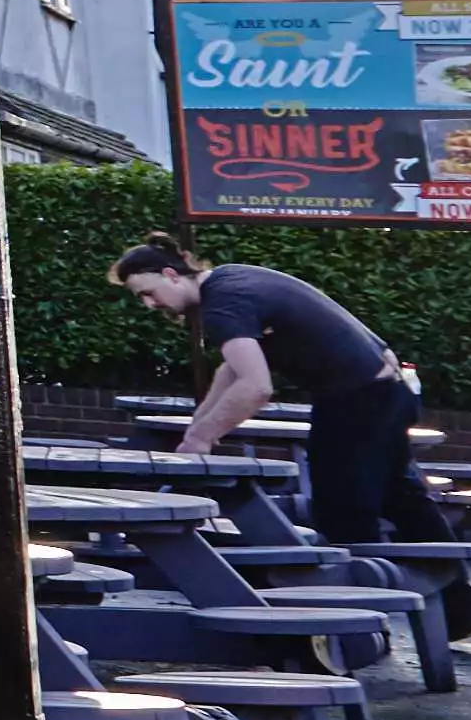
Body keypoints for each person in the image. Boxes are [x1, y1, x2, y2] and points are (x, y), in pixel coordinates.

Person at [113, 232, 426, 546]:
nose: (150, 304)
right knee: (399, 495)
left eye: (149, 293)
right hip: (384, 389)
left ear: (171, 275)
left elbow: (256, 386)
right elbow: (231, 369)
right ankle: (454, 589)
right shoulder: (230, 278)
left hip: (359, 398)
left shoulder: (222, 306)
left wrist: (202, 437)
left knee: (343, 509)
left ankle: (364, 589)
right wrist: (198, 427)